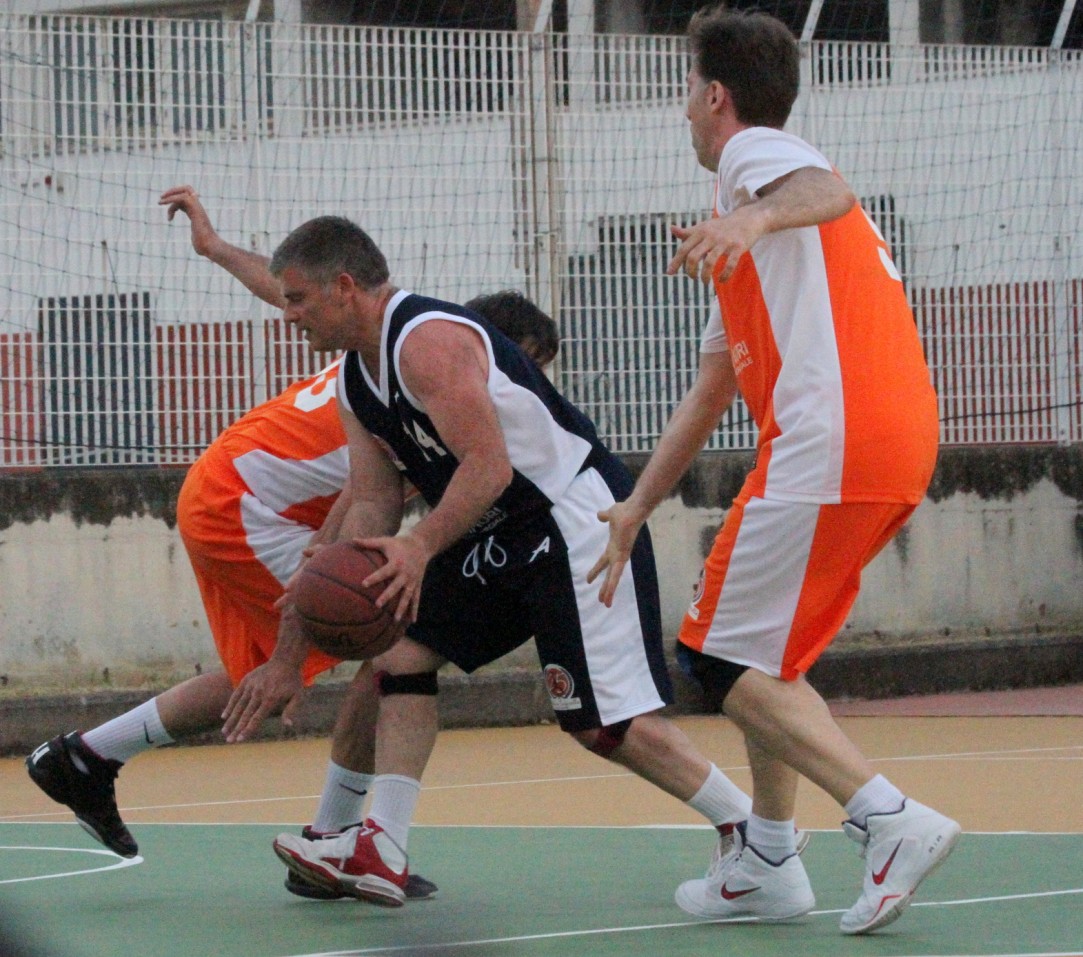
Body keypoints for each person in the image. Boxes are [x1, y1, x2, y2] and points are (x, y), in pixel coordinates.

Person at [23, 188, 557, 904]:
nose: (530, 385)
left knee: (309, 653)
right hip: (244, 505)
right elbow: (355, 507)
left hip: (230, 487)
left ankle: (88, 757)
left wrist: (217, 250)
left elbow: (289, 291)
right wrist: (296, 635)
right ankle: (334, 836)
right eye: (526, 366)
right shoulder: (426, 382)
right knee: (382, 634)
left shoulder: (389, 342)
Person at [587, 5, 960, 936]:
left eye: (687, 90)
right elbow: (712, 388)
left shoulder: (755, 160)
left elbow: (825, 185)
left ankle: (885, 818)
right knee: (757, 652)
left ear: (716, 95)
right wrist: (635, 504)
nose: (683, 109)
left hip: (833, 435)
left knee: (717, 656)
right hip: (876, 436)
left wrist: (751, 214)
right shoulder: (745, 231)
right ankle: (766, 860)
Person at [265, 215, 762, 909]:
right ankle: (382, 846)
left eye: (296, 298)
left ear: (344, 286)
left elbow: (489, 466)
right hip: (492, 530)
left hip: (569, 519)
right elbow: (374, 498)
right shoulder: (354, 379)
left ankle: (752, 831)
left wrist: (419, 546)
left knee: (602, 725)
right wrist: (325, 597)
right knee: (399, 653)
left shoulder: (426, 342)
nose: (287, 314)